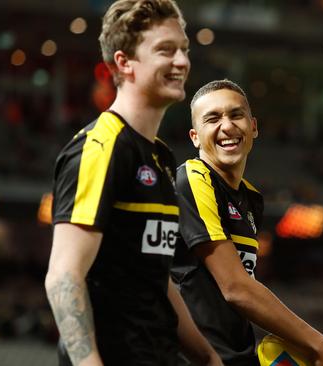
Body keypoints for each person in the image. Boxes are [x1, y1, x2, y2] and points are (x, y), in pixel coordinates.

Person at [45, 1, 222, 365]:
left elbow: (156, 276)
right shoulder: (102, 148)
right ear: (124, 63)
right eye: (165, 50)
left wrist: (206, 356)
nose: (182, 62)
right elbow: (64, 275)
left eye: (184, 50)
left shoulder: (160, 156)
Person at [171, 79, 323, 366]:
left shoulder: (251, 198)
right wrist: (318, 343)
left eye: (235, 114)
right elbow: (235, 288)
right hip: (194, 358)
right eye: (212, 118)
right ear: (194, 136)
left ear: (253, 126)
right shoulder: (191, 179)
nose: (227, 126)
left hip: (236, 355)